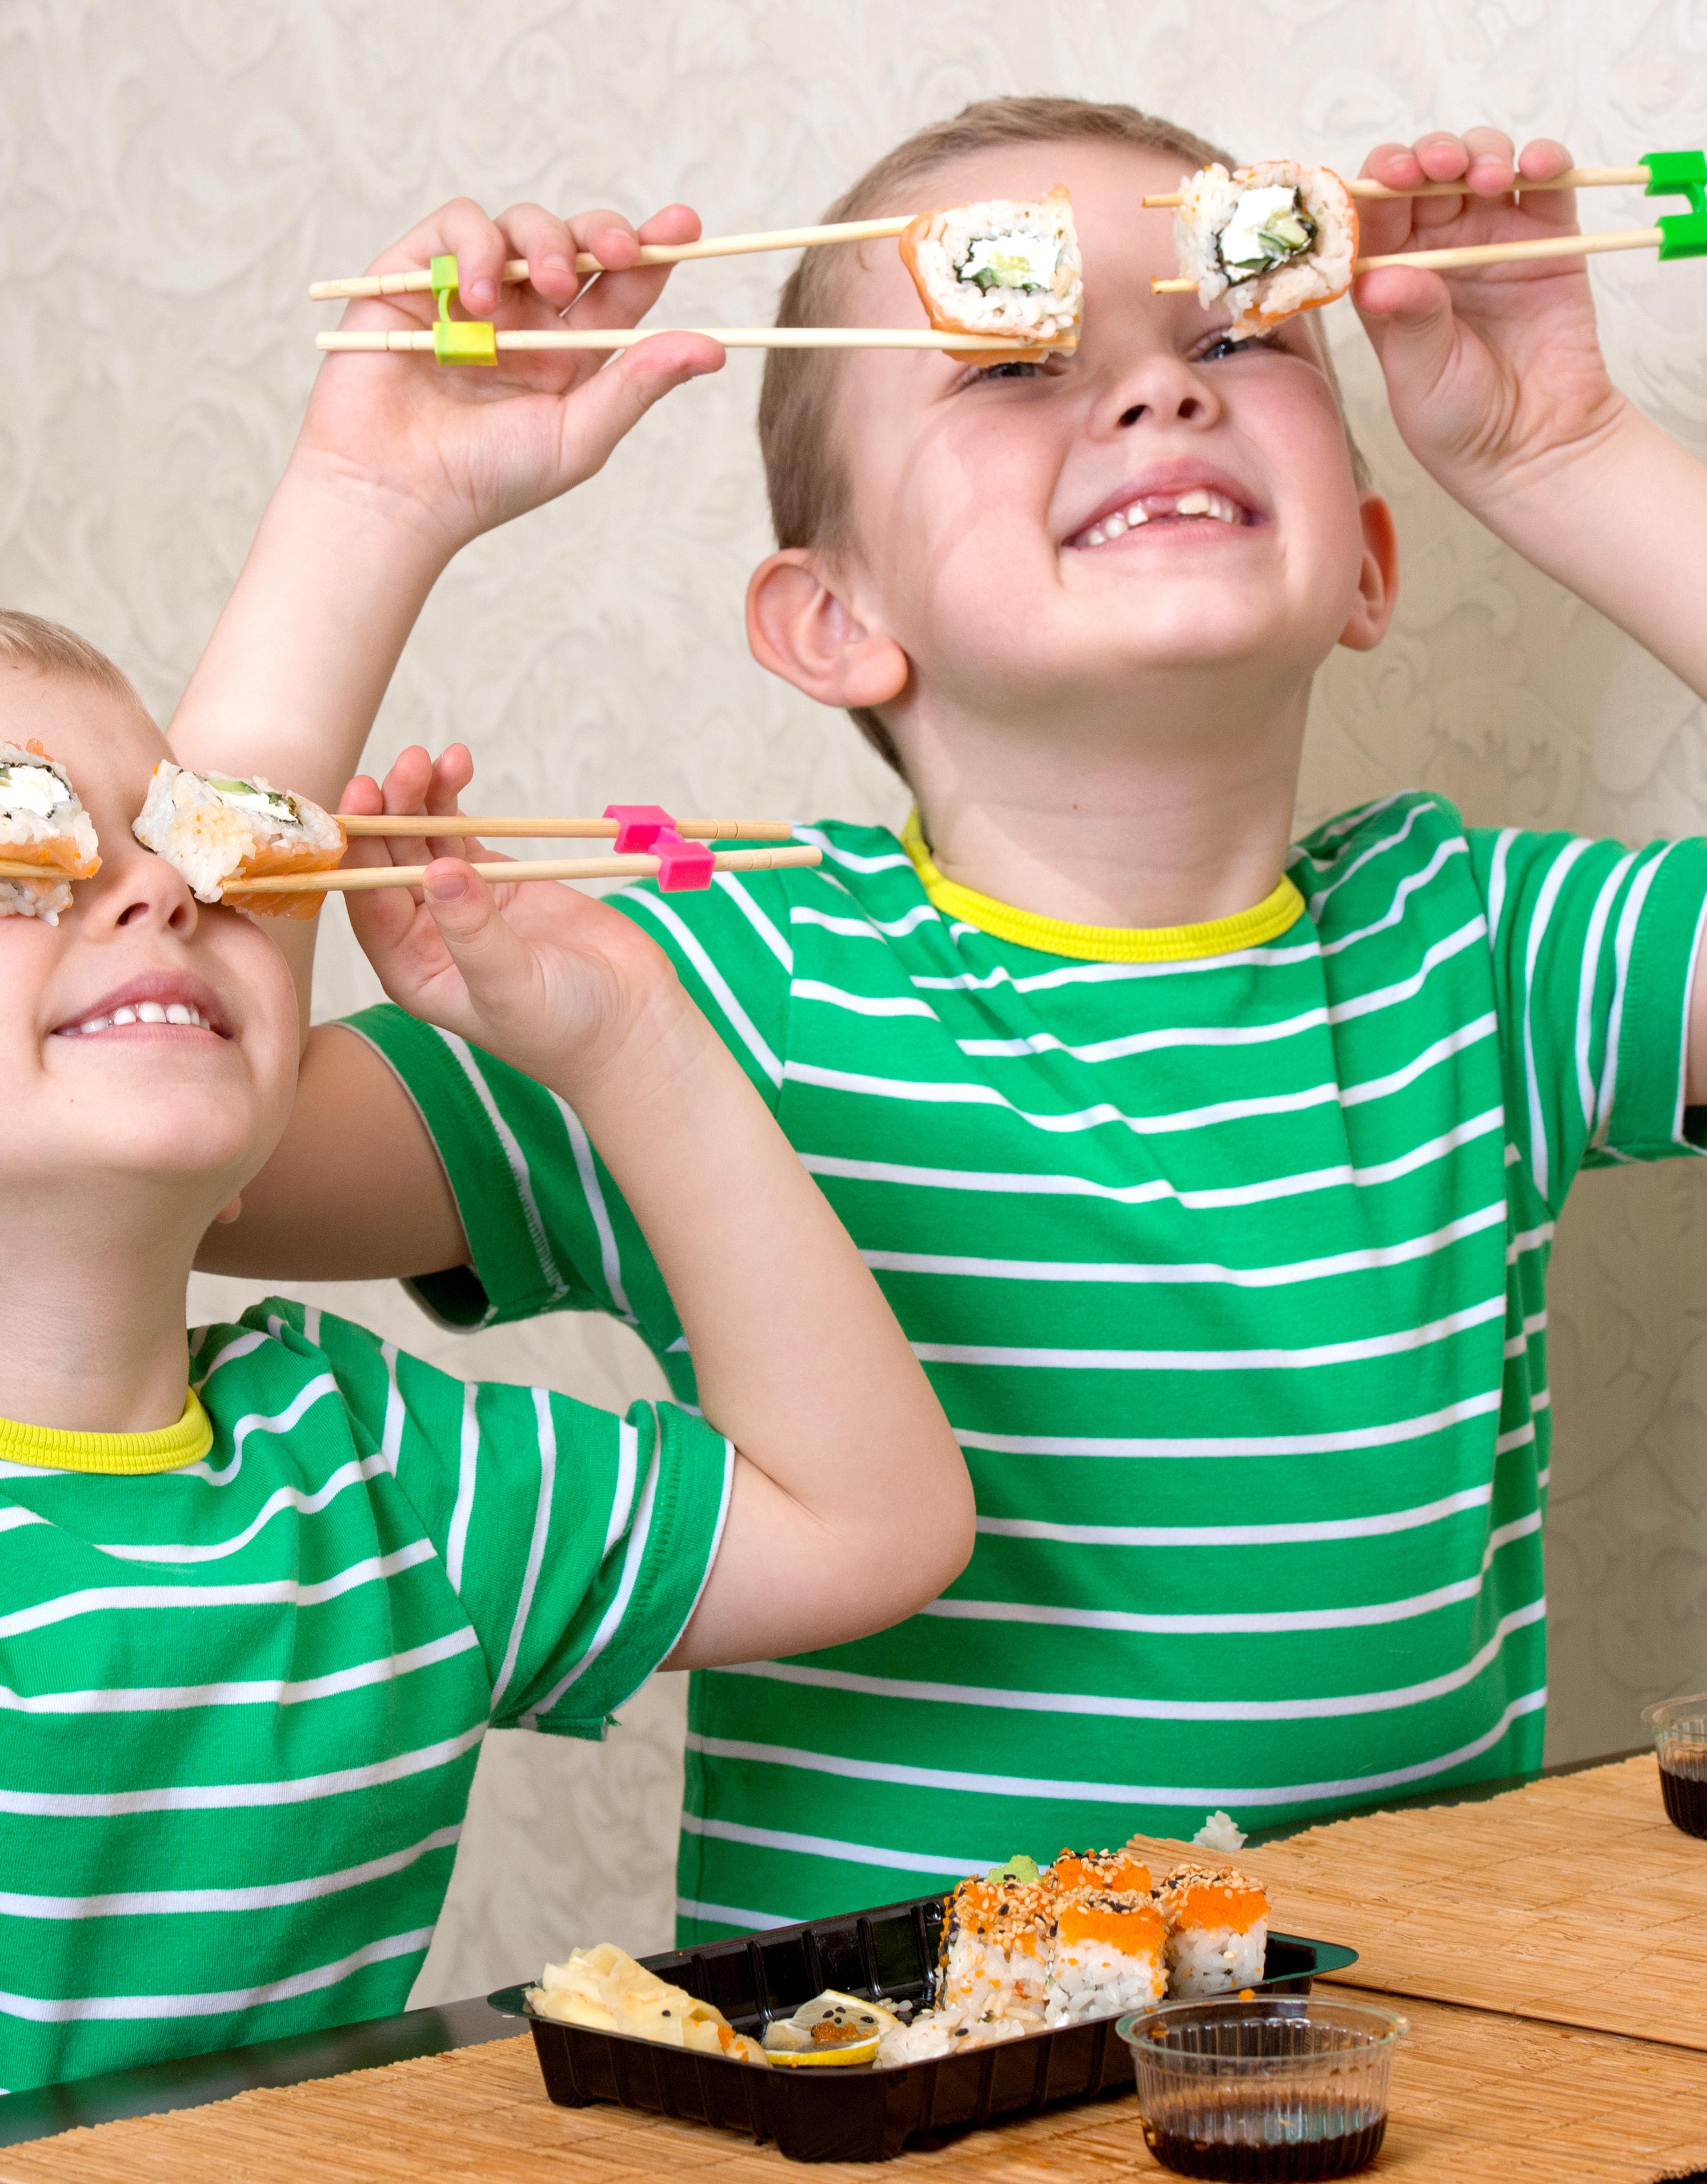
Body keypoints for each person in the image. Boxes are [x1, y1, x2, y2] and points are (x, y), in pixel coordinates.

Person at [209, 96, 1707, 1940]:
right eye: (1009, 363)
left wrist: (1568, 453)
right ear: (830, 622)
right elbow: (183, 1156)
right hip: (888, 2108)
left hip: (1403, 2089)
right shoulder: (692, 992)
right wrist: (364, 517)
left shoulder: (1479, 955)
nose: (1162, 393)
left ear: (1373, 565)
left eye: (1239, 329)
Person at [0, 596, 966, 2179]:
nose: (160, 883)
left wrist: (630, 1046)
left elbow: (871, 1525)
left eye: (184, 842)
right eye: (15, 853)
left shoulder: (373, 1469)